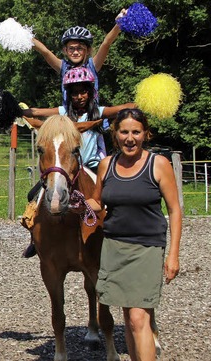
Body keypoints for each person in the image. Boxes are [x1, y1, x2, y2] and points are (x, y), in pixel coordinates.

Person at [83, 108, 181, 360]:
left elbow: (175, 210)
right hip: (114, 248)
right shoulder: (107, 165)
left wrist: (173, 255)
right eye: (124, 132)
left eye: (136, 132)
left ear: (145, 134)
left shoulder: (158, 164)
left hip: (146, 249)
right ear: (115, 135)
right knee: (128, 318)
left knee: (139, 319)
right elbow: (97, 202)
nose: (130, 138)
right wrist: (77, 204)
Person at [20, 67, 135, 258]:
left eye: (83, 92)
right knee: (33, 194)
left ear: (90, 93)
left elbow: (120, 110)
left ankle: (118, 234)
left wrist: (138, 104)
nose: (79, 96)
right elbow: (40, 112)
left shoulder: (97, 112)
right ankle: (35, 238)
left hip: (93, 164)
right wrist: (22, 111)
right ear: (69, 95)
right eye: (75, 93)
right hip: (67, 166)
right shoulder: (64, 113)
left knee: (113, 196)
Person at [32, 8, 126, 106]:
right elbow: (45, 51)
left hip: (92, 116)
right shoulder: (63, 67)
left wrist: (119, 23)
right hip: (70, 118)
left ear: (88, 50)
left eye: (80, 48)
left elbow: (106, 44)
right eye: (71, 48)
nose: (75, 52)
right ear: (65, 50)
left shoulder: (93, 65)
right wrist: (22, 34)